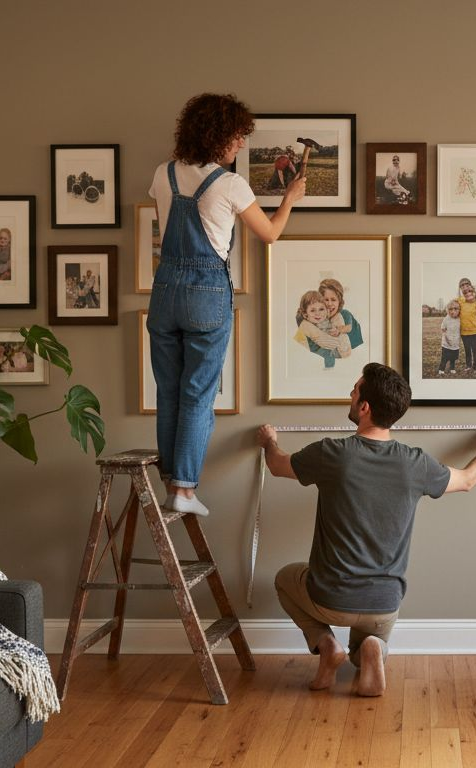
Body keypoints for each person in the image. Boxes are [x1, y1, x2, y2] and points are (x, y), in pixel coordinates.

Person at [256, 363, 476, 697]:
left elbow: (276, 466)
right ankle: (373, 648)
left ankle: (327, 644)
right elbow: (466, 480)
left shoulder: (333, 453)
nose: (350, 393)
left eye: (355, 389)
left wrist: (269, 441)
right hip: (384, 603)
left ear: (364, 407)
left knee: (284, 578)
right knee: (370, 639)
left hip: (330, 597)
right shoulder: (415, 462)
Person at [148, 92, 307, 516]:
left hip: (164, 293)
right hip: (206, 293)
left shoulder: (162, 175)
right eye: (237, 137)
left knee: (169, 392)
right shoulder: (231, 184)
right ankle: (183, 489)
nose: (240, 145)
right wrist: (289, 198)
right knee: (198, 394)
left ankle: (171, 482)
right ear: (218, 136)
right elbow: (270, 233)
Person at [295, 289, 349, 368]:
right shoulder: (306, 325)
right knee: (328, 354)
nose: (318, 313)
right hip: (316, 350)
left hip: (335, 348)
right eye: (313, 310)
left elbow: (334, 335)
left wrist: (335, 332)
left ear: (327, 311)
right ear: (305, 314)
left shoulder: (327, 321)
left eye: (321, 309)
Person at [456, 278, 476, 371]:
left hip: (474, 332)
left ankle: (475, 367)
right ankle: (468, 366)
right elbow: (451, 307)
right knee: (467, 350)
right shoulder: (459, 301)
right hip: (464, 332)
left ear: (471, 289)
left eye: (467, 286)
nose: (465, 288)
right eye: (462, 286)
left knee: (475, 351)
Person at [437, 300, 461, 375]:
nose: (453, 311)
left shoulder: (459, 319)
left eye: (455, 309)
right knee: (444, 357)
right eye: (450, 309)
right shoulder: (446, 319)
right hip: (446, 343)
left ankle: (452, 368)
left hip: (455, 343)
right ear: (448, 310)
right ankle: (441, 369)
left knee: (453, 357)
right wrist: (446, 338)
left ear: (459, 310)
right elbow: (443, 329)